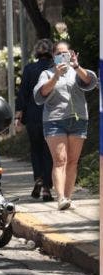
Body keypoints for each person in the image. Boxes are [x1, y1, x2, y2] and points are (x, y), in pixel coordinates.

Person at [34, 40, 99, 210]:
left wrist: (76, 66)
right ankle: (61, 197)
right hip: (55, 121)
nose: (62, 56)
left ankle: (68, 198)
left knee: (72, 161)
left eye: (65, 53)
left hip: (78, 120)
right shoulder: (46, 74)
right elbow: (41, 93)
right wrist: (56, 76)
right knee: (60, 160)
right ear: (53, 56)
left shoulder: (76, 71)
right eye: (58, 54)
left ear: (71, 54)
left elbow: (90, 81)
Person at [16, 39, 55, 202]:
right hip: (51, 115)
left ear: (36, 53)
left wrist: (18, 117)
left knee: (36, 149)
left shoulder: (29, 69)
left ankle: (38, 177)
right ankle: (47, 188)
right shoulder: (54, 69)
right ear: (51, 52)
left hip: (32, 116)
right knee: (49, 151)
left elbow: (23, 93)